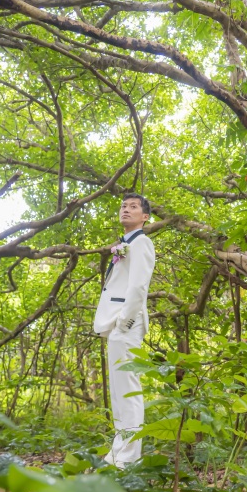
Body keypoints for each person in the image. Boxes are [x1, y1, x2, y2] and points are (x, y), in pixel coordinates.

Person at [93, 193, 156, 468]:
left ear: (145, 217)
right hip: (117, 324)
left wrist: (124, 322)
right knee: (118, 392)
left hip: (126, 323)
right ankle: (117, 453)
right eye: (123, 206)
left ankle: (128, 458)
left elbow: (139, 286)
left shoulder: (141, 243)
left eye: (133, 207)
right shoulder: (124, 243)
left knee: (128, 390)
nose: (126, 210)